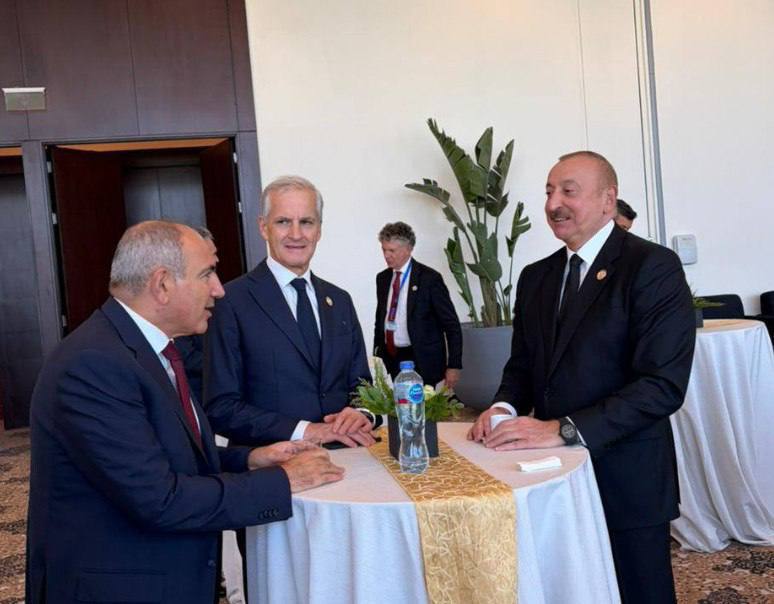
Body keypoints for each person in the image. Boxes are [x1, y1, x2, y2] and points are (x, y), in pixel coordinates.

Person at [25, 221, 344, 604]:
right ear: (162, 284)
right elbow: (159, 498)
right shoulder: (94, 364)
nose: (219, 289)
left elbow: (165, 455)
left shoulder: (149, 349)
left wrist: (252, 459)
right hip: (119, 589)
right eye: (207, 274)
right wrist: (284, 481)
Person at [468, 151, 695, 604]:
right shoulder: (536, 277)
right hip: (550, 480)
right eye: (549, 192)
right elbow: (522, 366)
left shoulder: (652, 266)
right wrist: (503, 407)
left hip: (626, 478)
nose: (554, 203)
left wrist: (564, 429)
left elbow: (661, 385)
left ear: (608, 200)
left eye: (568, 191)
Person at [206, 175, 376, 448]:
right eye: (283, 222)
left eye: (306, 222)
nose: (296, 234)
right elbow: (221, 407)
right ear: (263, 227)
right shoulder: (231, 301)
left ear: (319, 230)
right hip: (275, 463)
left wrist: (362, 413)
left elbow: (362, 387)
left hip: (347, 457)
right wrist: (307, 431)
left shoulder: (340, 300)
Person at [373, 221, 462, 389]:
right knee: (397, 403)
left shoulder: (429, 279)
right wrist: (377, 357)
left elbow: (451, 325)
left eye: (392, 250)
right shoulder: (382, 278)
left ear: (408, 249)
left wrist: (454, 365)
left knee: (423, 404)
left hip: (423, 359)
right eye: (384, 250)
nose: (386, 255)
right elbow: (380, 319)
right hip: (393, 357)